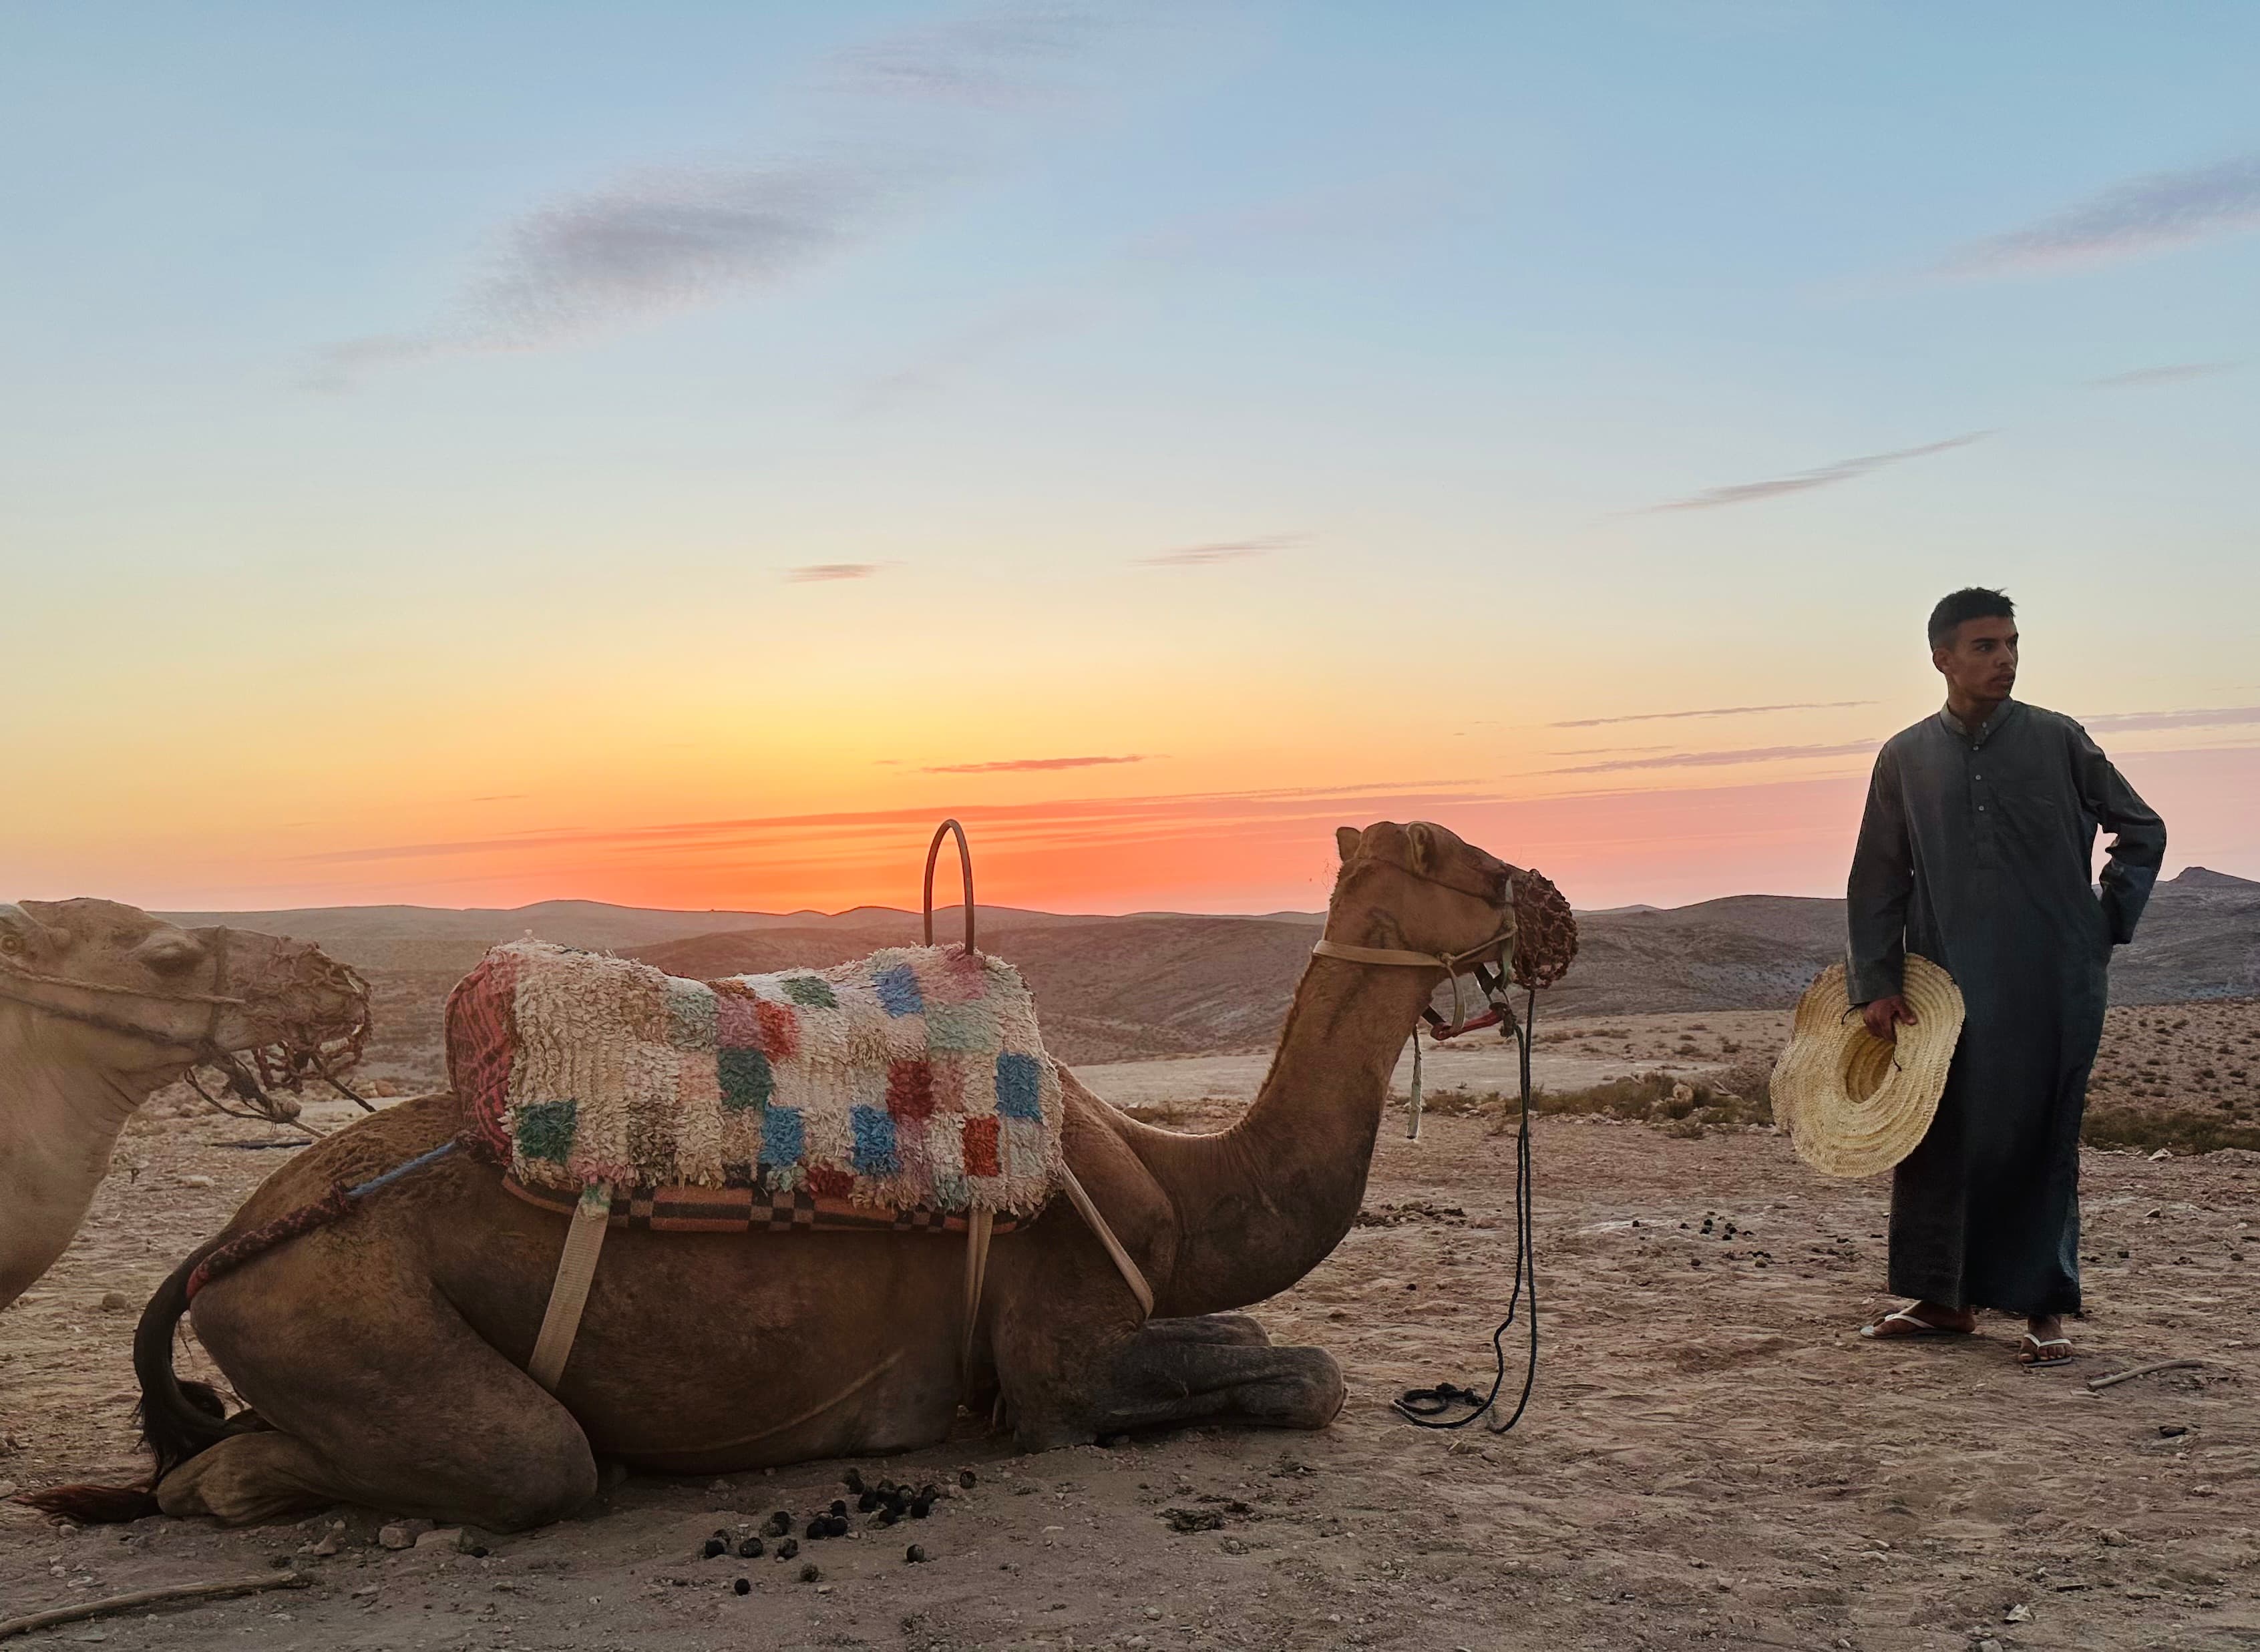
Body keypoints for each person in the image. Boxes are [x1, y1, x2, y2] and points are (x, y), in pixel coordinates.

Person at [1847, 588, 2165, 1366]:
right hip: (1944, 980)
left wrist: (2103, 921)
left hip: (2053, 976)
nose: (2006, 659)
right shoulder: (1905, 756)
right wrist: (1877, 979)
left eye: (2012, 643)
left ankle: (2042, 1307)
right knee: (1937, 1131)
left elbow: (2141, 828)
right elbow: (1878, 876)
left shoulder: (2058, 738)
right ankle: (1941, 1300)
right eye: (1986, 646)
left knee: (2038, 1130)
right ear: (1942, 658)